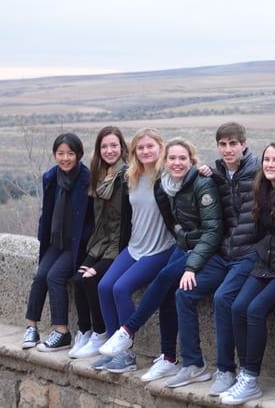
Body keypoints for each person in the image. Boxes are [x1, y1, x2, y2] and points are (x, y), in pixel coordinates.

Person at [97, 138, 223, 384]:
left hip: (199, 249)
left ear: (192, 160)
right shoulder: (167, 183)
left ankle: (128, 330)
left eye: (182, 159)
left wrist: (191, 265)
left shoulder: (200, 182)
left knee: (165, 277)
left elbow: (212, 231)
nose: (177, 163)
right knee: (167, 294)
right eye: (172, 159)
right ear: (165, 162)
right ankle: (169, 358)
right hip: (184, 244)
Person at [172, 121, 261, 396]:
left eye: (233, 143)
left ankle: (226, 370)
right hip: (223, 253)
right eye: (223, 144)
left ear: (243, 145)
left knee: (224, 298)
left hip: (249, 253)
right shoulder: (215, 173)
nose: (228, 149)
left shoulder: (259, 172)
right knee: (184, 293)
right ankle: (194, 363)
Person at [221, 141, 275, 405]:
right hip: (266, 261)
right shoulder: (263, 189)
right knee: (238, 307)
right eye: (267, 160)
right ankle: (246, 376)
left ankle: (250, 376)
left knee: (257, 309)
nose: (269, 164)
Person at [95, 128, 175, 373]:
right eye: (140, 148)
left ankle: (128, 355)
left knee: (121, 288)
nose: (145, 151)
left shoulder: (168, 177)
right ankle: (114, 350)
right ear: (134, 152)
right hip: (135, 246)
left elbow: (191, 176)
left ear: (160, 148)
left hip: (160, 248)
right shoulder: (131, 176)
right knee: (104, 286)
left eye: (150, 146)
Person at [22, 132, 94, 352]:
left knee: (55, 276)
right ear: (55, 155)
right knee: (40, 275)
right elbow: (48, 211)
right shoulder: (51, 177)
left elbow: (92, 218)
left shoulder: (87, 179)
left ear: (79, 154)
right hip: (56, 240)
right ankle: (31, 327)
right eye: (60, 153)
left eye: (70, 153)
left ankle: (61, 332)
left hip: (77, 243)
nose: (65, 158)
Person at [68, 126, 129, 359]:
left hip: (118, 244)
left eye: (114, 145)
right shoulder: (101, 173)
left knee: (91, 279)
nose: (109, 150)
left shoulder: (126, 175)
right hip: (101, 242)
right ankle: (85, 330)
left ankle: (101, 332)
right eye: (104, 146)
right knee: (77, 278)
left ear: (122, 147)